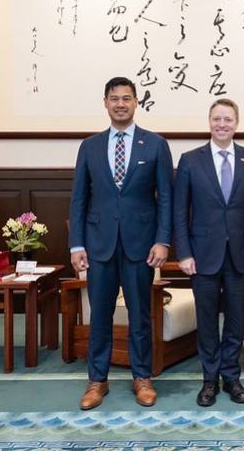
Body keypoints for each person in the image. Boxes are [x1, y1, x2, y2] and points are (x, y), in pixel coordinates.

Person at [68, 76, 173, 410]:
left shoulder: (155, 144)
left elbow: (166, 198)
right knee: (100, 314)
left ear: (136, 102)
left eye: (127, 98)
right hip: (99, 245)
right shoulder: (90, 146)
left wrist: (163, 241)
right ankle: (97, 380)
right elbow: (79, 199)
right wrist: (76, 245)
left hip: (141, 245)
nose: (121, 104)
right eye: (114, 99)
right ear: (105, 103)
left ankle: (142, 377)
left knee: (140, 315)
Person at [173, 98, 244, 407]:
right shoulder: (190, 160)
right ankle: (209, 379)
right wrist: (184, 253)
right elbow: (180, 211)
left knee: (236, 320)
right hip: (201, 255)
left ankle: (232, 377)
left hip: (241, 254)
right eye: (217, 119)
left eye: (228, 119)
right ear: (209, 121)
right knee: (207, 320)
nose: (222, 124)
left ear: (236, 123)